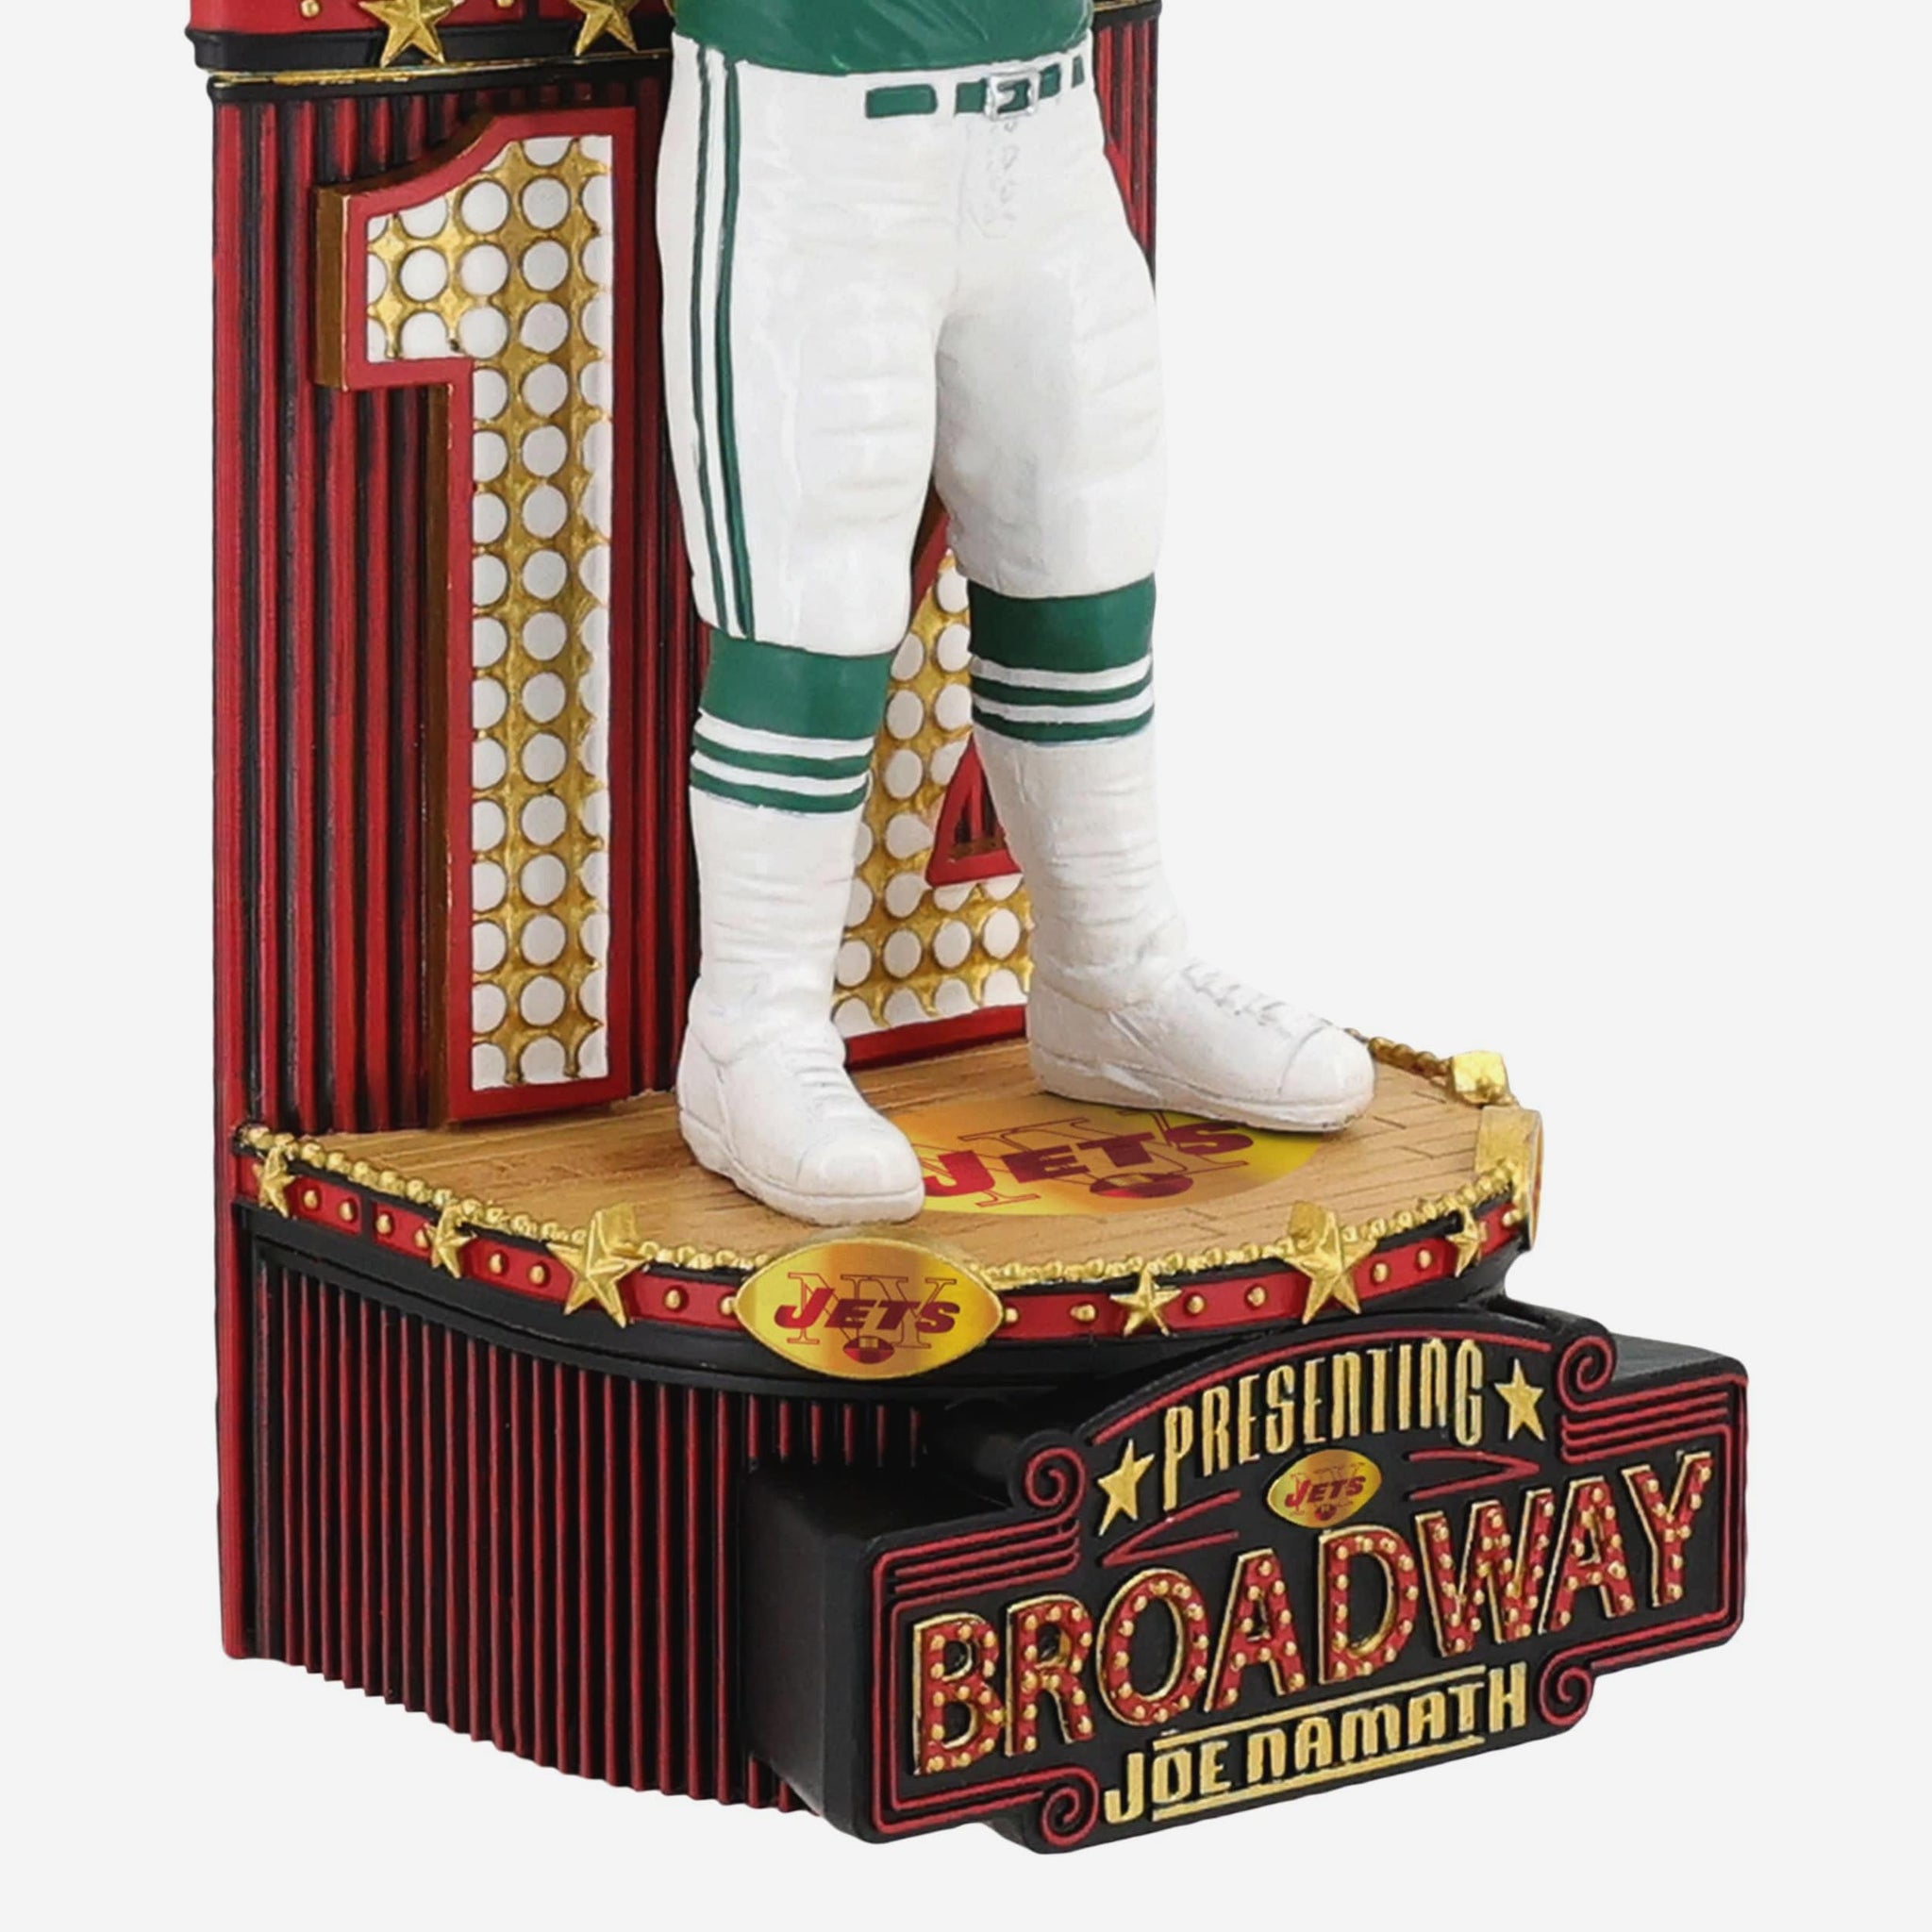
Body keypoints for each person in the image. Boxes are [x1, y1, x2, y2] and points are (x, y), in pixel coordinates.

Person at [658, 0, 1374, 1225]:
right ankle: (751, 1030)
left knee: (1087, 552)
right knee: (810, 600)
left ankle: (1114, 970)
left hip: (1042, 121)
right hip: (815, 136)